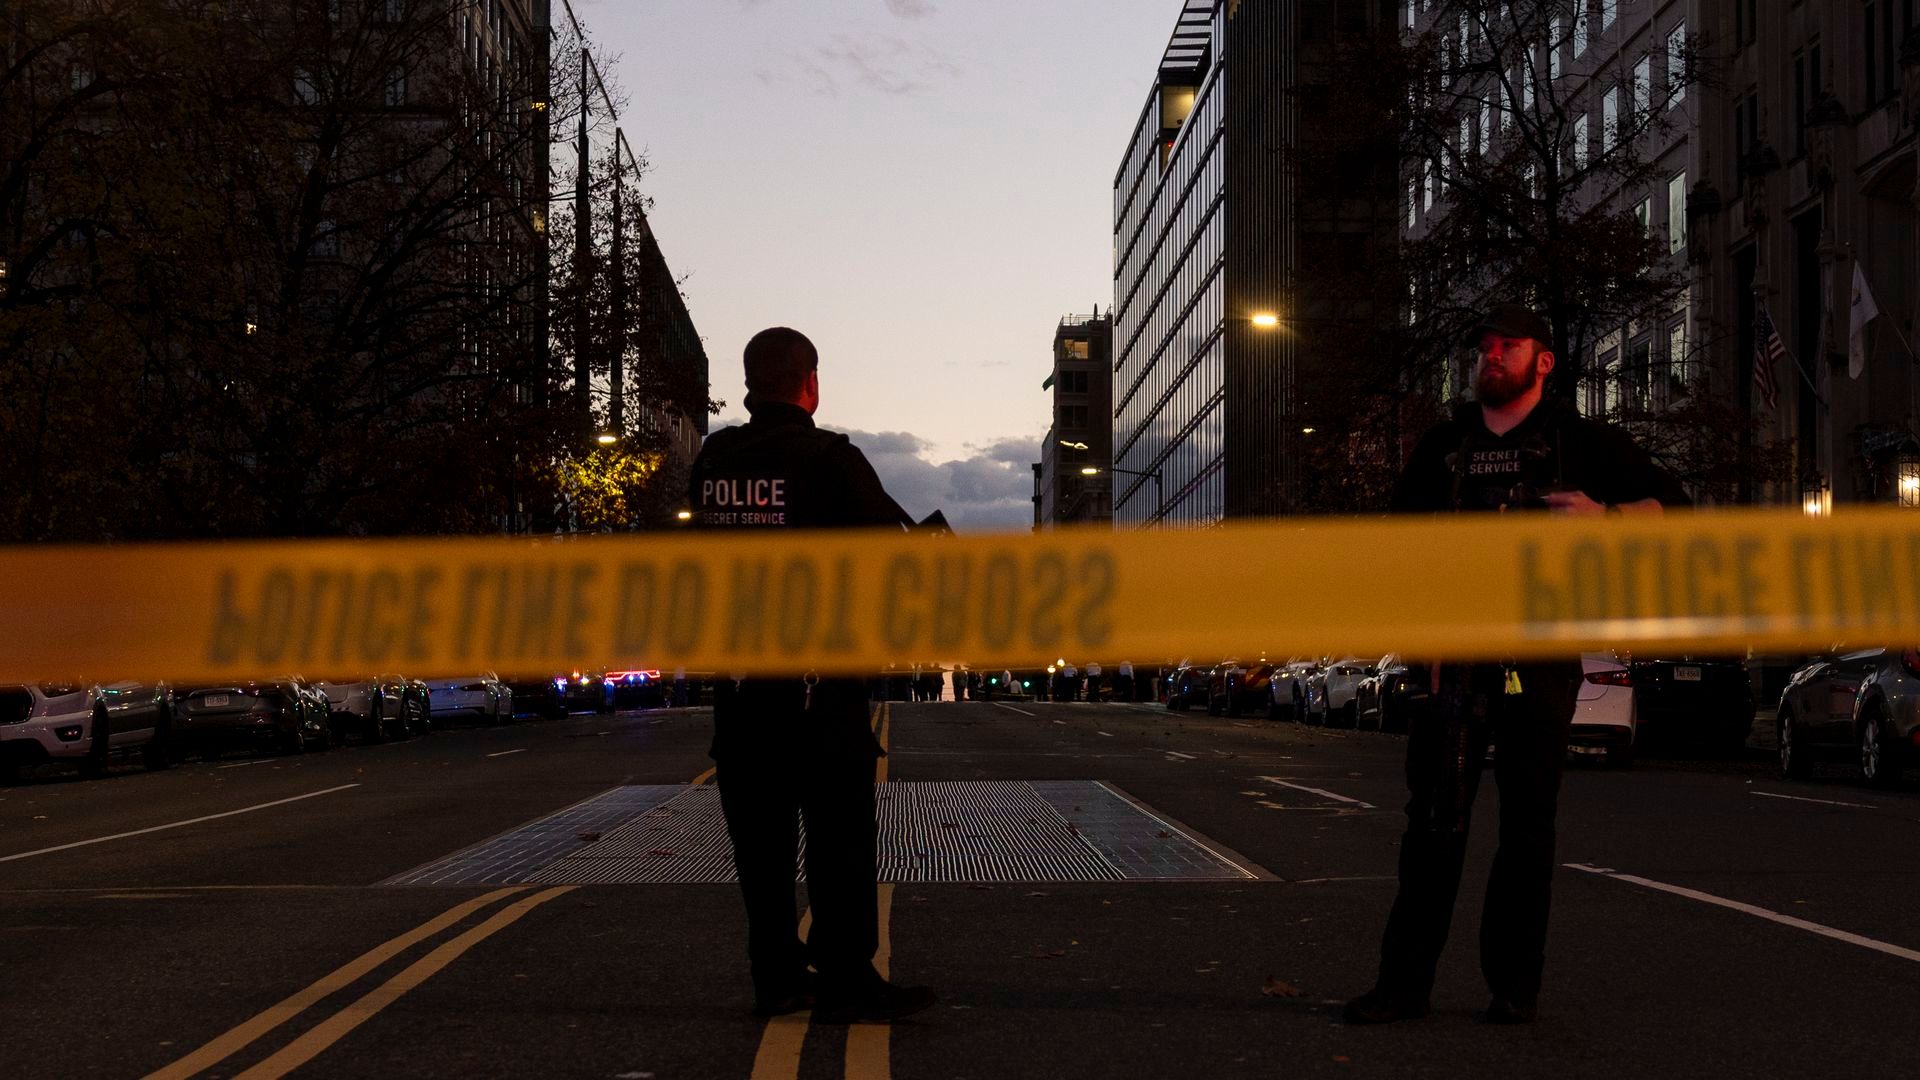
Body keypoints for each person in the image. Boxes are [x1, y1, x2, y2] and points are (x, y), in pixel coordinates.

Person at [1344, 304, 1688, 1027]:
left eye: (1508, 345)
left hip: (1541, 653)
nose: (1491, 356)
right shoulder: (1444, 445)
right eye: (1484, 348)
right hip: (1452, 658)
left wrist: (1607, 519)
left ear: (1544, 361)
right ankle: (1403, 986)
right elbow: (1392, 550)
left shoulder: (1581, 442)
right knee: (1433, 821)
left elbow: (1677, 509)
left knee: (1528, 824)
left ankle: (1514, 988)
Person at [688, 326, 936, 1025]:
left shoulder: (714, 461)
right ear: (811, 383)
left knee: (761, 850)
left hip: (742, 690)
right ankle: (847, 977)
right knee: (839, 844)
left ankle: (776, 979)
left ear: (749, 383)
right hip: (820, 692)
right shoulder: (833, 460)